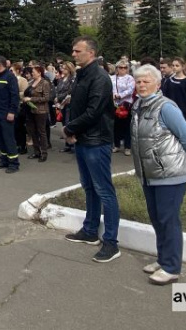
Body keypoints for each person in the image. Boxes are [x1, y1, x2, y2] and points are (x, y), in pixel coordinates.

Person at [129, 64, 186, 285]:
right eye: (138, 81)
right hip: (150, 174)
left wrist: (182, 159)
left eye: (146, 81)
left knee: (169, 219)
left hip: (171, 174)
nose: (141, 85)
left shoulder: (166, 107)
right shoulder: (138, 106)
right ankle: (163, 258)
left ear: (158, 84)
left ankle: (171, 267)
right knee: (157, 218)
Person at [63, 36, 121, 263]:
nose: (74, 54)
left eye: (78, 51)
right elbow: (78, 106)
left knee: (104, 190)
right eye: (73, 51)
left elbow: (94, 111)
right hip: (82, 139)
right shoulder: (82, 75)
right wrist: (74, 131)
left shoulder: (100, 77)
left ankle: (111, 242)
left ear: (92, 52)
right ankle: (89, 230)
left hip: (97, 141)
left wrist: (69, 128)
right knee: (89, 187)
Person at [0, 56, 20, 173]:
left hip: (7, 114)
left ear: (0, 64)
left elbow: (15, 96)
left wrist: (12, 111)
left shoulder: (10, 77)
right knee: (0, 139)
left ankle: (14, 163)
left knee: (8, 138)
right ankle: (4, 160)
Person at [23, 65, 51, 162]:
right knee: (32, 131)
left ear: (39, 73)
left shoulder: (45, 83)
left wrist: (32, 99)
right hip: (31, 110)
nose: (32, 73)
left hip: (41, 111)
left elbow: (46, 98)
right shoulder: (32, 82)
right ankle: (36, 152)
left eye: (34, 72)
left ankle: (44, 153)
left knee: (41, 132)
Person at [111, 60, 135, 156]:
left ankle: (127, 147)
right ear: (116, 68)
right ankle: (116, 145)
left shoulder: (130, 78)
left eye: (125, 67)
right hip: (114, 104)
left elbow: (130, 90)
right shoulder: (112, 78)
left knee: (127, 126)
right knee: (115, 126)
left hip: (126, 104)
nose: (123, 69)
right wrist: (112, 95)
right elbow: (109, 88)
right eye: (121, 67)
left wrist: (119, 95)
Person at [12, 63, 30, 155]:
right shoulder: (11, 79)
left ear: (18, 71)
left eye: (12, 70)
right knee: (14, 127)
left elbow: (25, 93)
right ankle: (17, 144)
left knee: (20, 127)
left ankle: (22, 146)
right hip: (12, 106)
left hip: (20, 106)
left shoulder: (22, 80)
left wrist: (14, 94)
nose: (11, 72)